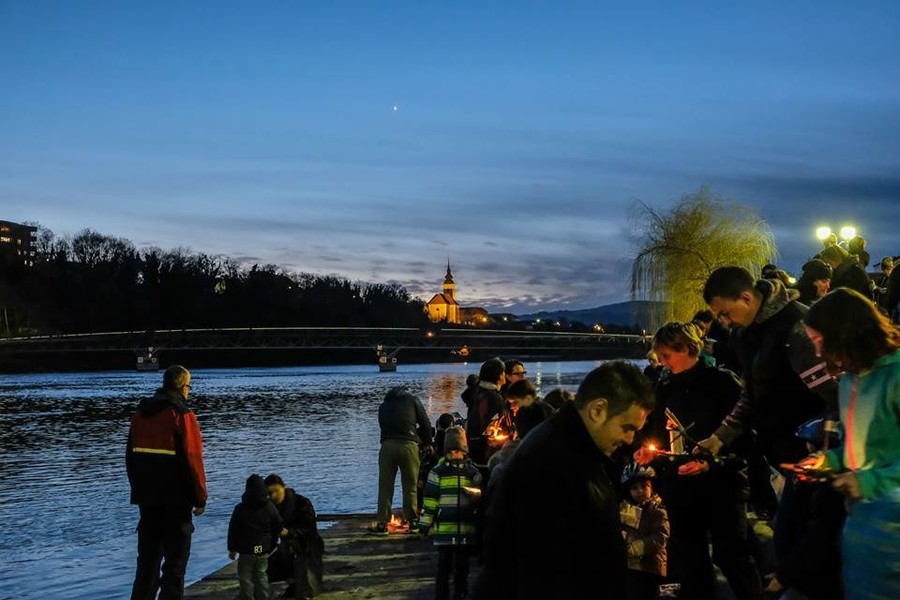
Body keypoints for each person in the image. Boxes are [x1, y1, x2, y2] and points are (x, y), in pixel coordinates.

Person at [472, 360, 655, 599]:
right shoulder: (552, 464)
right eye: (627, 427)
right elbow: (543, 569)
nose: (630, 439)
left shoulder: (570, 449)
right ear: (597, 410)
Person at [636, 322, 764, 600]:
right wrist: (650, 454)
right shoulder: (664, 388)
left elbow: (746, 435)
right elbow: (657, 433)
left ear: (685, 348)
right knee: (690, 563)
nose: (663, 362)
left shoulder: (722, 383)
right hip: (679, 490)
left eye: (667, 355)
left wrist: (712, 462)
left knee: (731, 555)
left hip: (723, 485)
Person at [798, 288, 900, 599]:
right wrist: (828, 460)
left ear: (844, 333)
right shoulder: (848, 381)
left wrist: (867, 481)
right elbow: (860, 446)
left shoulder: (896, 376)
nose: (818, 353)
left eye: (819, 341)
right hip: (861, 525)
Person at [126, 364, 207, 600]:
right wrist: (200, 497)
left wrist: (138, 490)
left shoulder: (140, 415)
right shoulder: (182, 415)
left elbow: (130, 458)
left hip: (147, 501)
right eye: (189, 386)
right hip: (176, 501)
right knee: (174, 567)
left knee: (146, 566)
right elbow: (193, 459)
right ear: (183, 387)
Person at [419, 427, 483, 600]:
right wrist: (424, 524)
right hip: (444, 532)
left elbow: (480, 498)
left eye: (458, 451)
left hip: (465, 531)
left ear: (464, 452)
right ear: (446, 452)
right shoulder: (437, 472)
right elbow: (430, 501)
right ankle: (442, 596)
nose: (454, 455)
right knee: (443, 569)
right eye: (451, 452)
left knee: (463, 569)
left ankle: (461, 595)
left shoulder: (473, 472)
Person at [373, 386, 433, 532]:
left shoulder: (383, 406)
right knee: (410, 485)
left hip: (387, 446)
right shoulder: (413, 400)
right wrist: (428, 442)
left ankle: (382, 523)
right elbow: (425, 424)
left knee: (385, 486)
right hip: (409, 446)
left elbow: (383, 427)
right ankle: (412, 521)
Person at [264, 474, 324, 599]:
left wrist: (289, 533)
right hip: (286, 548)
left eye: (276, 490)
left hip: (309, 546)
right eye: (270, 492)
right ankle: (291, 583)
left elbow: (310, 530)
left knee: (308, 586)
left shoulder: (302, 503)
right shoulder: (269, 508)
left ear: (284, 487)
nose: (274, 495)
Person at [228, 474, 284, 600]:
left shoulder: (240, 508)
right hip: (262, 548)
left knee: (245, 576)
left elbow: (233, 530)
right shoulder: (269, 506)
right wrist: (273, 543)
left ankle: (248, 597)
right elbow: (278, 524)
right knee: (261, 574)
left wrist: (232, 548)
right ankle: (263, 596)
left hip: (246, 550)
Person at [619, 463, 669, 600]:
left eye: (644, 485)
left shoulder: (657, 510)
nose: (640, 491)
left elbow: (660, 536)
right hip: (630, 567)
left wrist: (635, 548)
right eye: (634, 488)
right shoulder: (624, 510)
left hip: (651, 568)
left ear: (651, 486)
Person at [465, 358, 509, 466]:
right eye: (503, 372)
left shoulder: (478, 393)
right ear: (499, 376)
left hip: (473, 447)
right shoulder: (494, 398)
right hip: (487, 453)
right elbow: (493, 425)